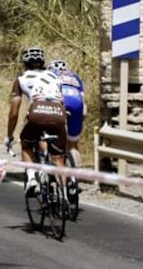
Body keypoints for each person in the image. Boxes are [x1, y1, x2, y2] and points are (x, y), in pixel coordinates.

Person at [6, 47, 67, 195]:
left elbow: (14, 112)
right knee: (58, 156)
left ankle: (32, 177)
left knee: (26, 143)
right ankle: (64, 194)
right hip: (58, 112)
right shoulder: (54, 77)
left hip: (37, 111)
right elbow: (61, 100)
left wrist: (9, 135)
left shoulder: (21, 79)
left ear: (25, 63)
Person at [48, 59, 86, 164]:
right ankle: (76, 173)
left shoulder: (50, 75)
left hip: (60, 103)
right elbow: (83, 104)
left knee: (52, 138)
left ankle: (54, 166)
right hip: (77, 104)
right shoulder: (75, 77)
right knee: (73, 144)